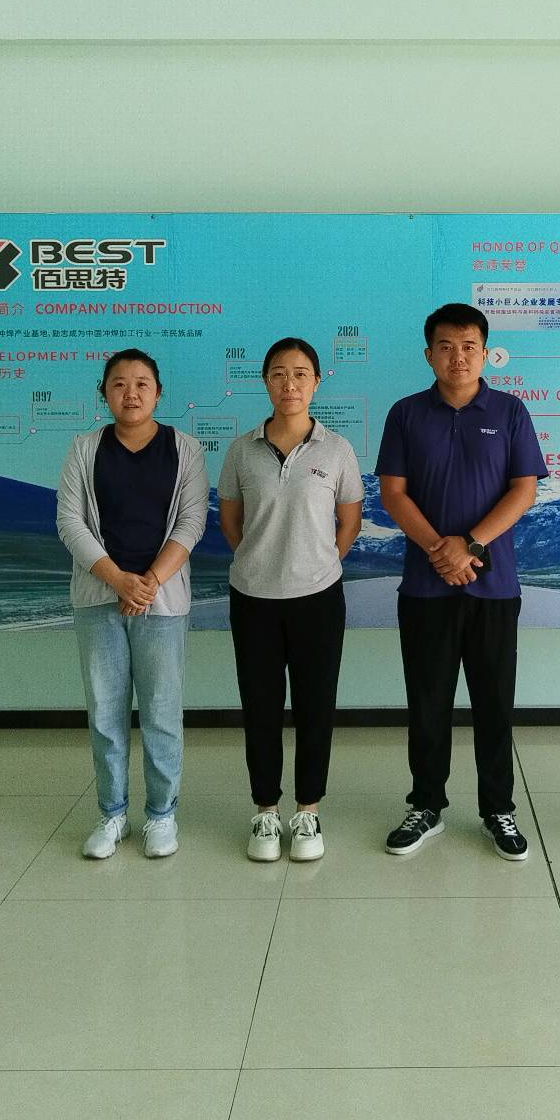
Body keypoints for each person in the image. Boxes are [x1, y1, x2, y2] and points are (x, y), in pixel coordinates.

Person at [376, 303, 547, 861]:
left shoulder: (510, 410)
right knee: (427, 701)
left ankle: (498, 808)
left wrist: (469, 544)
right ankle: (426, 804)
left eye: (469, 346)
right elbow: (394, 493)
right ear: (429, 354)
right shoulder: (406, 413)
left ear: (486, 353)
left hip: (494, 587)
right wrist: (438, 549)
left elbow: (524, 489)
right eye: (446, 347)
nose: (458, 357)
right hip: (425, 587)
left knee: (495, 702)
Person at [57, 349, 209, 860]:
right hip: (99, 598)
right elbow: (69, 521)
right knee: (105, 712)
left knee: (162, 713)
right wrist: (118, 580)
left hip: (162, 602)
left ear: (159, 393)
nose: (131, 393)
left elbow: (192, 522)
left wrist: (148, 583)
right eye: (119, 383)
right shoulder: (85, 448)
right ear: (103, 393)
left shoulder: (185, 449)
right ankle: (112, 813)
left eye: (142, 383)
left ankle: (162, 815)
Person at [218, 338, 363, 862]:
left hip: (318, 599)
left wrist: (316, 563)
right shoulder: (241, 450)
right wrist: (264, 562)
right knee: (260, 707)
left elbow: (349, 522)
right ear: (265, 381)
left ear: (317, 382)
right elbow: (231, 521)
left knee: (315, 707)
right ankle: (265, 811)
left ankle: (307, 812)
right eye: (279, 373)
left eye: (301, 374)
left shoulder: (337, 449)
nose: (290, 384)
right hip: (253, 597)